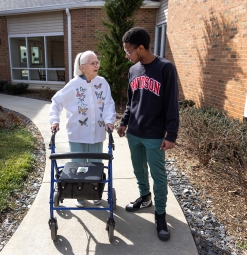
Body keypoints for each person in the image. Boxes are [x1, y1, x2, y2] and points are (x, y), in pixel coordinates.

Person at [117, 27, 179, 241]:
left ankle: (160, 214)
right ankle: (145, 198)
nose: (127, 55)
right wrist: (124, 122)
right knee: (138, 170)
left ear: (141, 48)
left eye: (128, 51)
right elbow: (131, 101)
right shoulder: (133, 70)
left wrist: (171, 135)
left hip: (154, 134)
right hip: (134, 132)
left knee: (158, 175)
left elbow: (172, 104)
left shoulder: (165, 68)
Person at [49, 50, 116, 207]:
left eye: (97, 62)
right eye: (93, 63)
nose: (97, 65)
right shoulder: (73, 85)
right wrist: (54, 120)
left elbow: (108, 104)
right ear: (83, 67)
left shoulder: (102, 82)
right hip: (78, 134)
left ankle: (95, 193)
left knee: (95, 166)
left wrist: (109, 120)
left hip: (97, 133)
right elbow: (56, 101)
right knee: (78, 166)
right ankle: (79, 194)